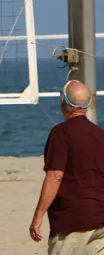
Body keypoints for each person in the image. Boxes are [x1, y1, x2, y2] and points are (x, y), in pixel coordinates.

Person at [29, 79, 104, 254]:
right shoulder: (100, 135)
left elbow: (55, 176)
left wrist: (38, 216)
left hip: (72, 223)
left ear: (63, 102)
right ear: (88, 104)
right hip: (101, 222)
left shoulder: (61, 133)